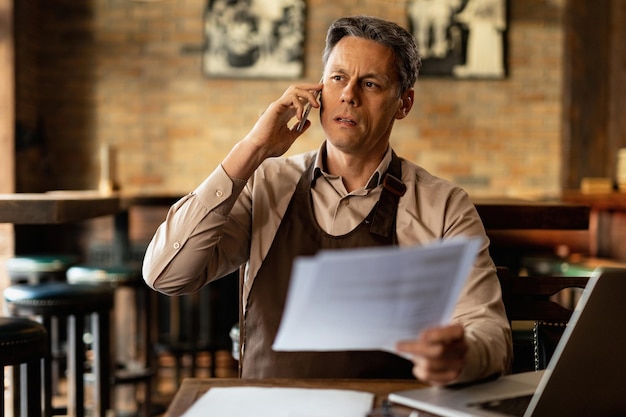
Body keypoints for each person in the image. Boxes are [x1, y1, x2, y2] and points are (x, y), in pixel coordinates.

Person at [143, 15, 512, 386]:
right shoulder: (266, 183)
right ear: (319, 90)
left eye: (370, 83)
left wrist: (460, 356)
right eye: (338, 78)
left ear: (404, 103)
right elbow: (166, 275)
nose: (349, 94)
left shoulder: (443, 205)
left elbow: (491, 332)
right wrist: (251, 150)